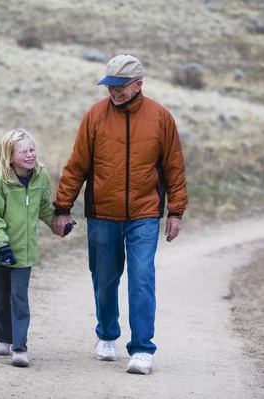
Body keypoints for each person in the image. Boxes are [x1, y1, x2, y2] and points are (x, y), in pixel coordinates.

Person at [52, 54, 188, 375]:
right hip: (103, 213)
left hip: (144, 213)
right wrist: (62, 208)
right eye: (109, 85)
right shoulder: (95, 117)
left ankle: (142, 349)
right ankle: (107, 335)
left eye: (119, 86)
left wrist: (176, 212)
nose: (112, 91)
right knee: (104, 279)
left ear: (138, 85)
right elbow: (76, 166)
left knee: (142, 279)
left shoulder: (160, 119)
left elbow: (174, 169)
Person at [0, 128, 55, 368]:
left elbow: (44, 207)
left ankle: (20, 347)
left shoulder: (41, 177)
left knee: (19, 298)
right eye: (23, 151)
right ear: (10, 156)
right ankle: (3, 338)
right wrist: (1, 246)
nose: (29, 154)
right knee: (1, 298)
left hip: (24, 253)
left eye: (32, 149)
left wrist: (57, 222)